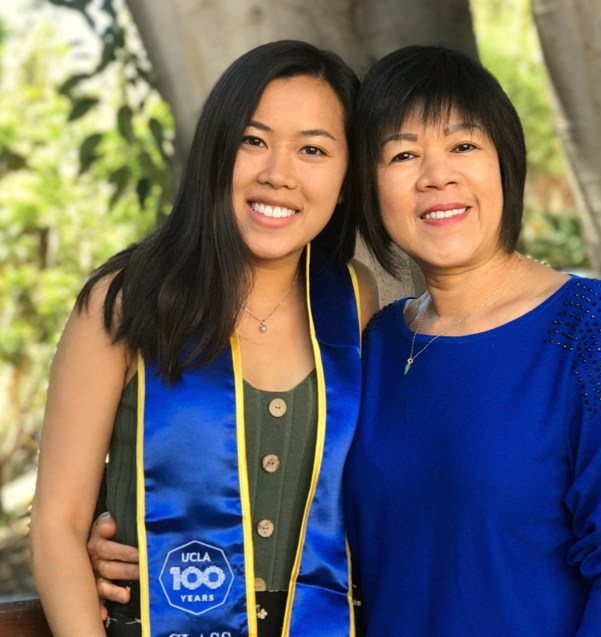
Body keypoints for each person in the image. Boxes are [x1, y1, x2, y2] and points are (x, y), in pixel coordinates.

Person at [31, 40, 377, 637]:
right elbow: (57, 525)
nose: (278, 174)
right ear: (218, 151)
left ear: (347, 179)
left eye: (313, 150)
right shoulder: (125, 302)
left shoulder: (353, 302)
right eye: (253, 140)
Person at [342, 45, 601, 637]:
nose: (436, 174)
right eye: (402, 154)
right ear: (370, 188)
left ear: (506, 162)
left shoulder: (592, 327)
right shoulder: (373, 344)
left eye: (464, 145)